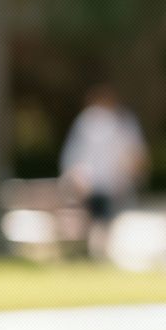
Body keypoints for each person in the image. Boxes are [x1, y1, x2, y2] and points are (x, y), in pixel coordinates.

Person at [59, 83, 146, 261]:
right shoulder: (88, 120)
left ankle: (99, 253)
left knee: (107, 221)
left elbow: (133, 153)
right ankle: (89, 253)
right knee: (92, 220)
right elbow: (77, 154)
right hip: (94, 183)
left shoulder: (122, 120)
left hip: (113, 183)